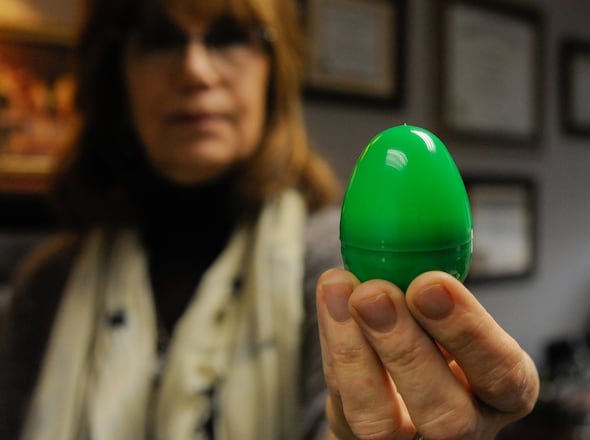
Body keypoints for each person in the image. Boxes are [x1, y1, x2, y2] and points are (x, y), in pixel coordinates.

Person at [0, 0, 539, 438]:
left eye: (230, 35)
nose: (195, 70)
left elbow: (338, 421)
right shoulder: (47, 284)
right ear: (116, 73)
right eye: (159, 37)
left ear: (272, 73)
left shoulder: (333, 268)